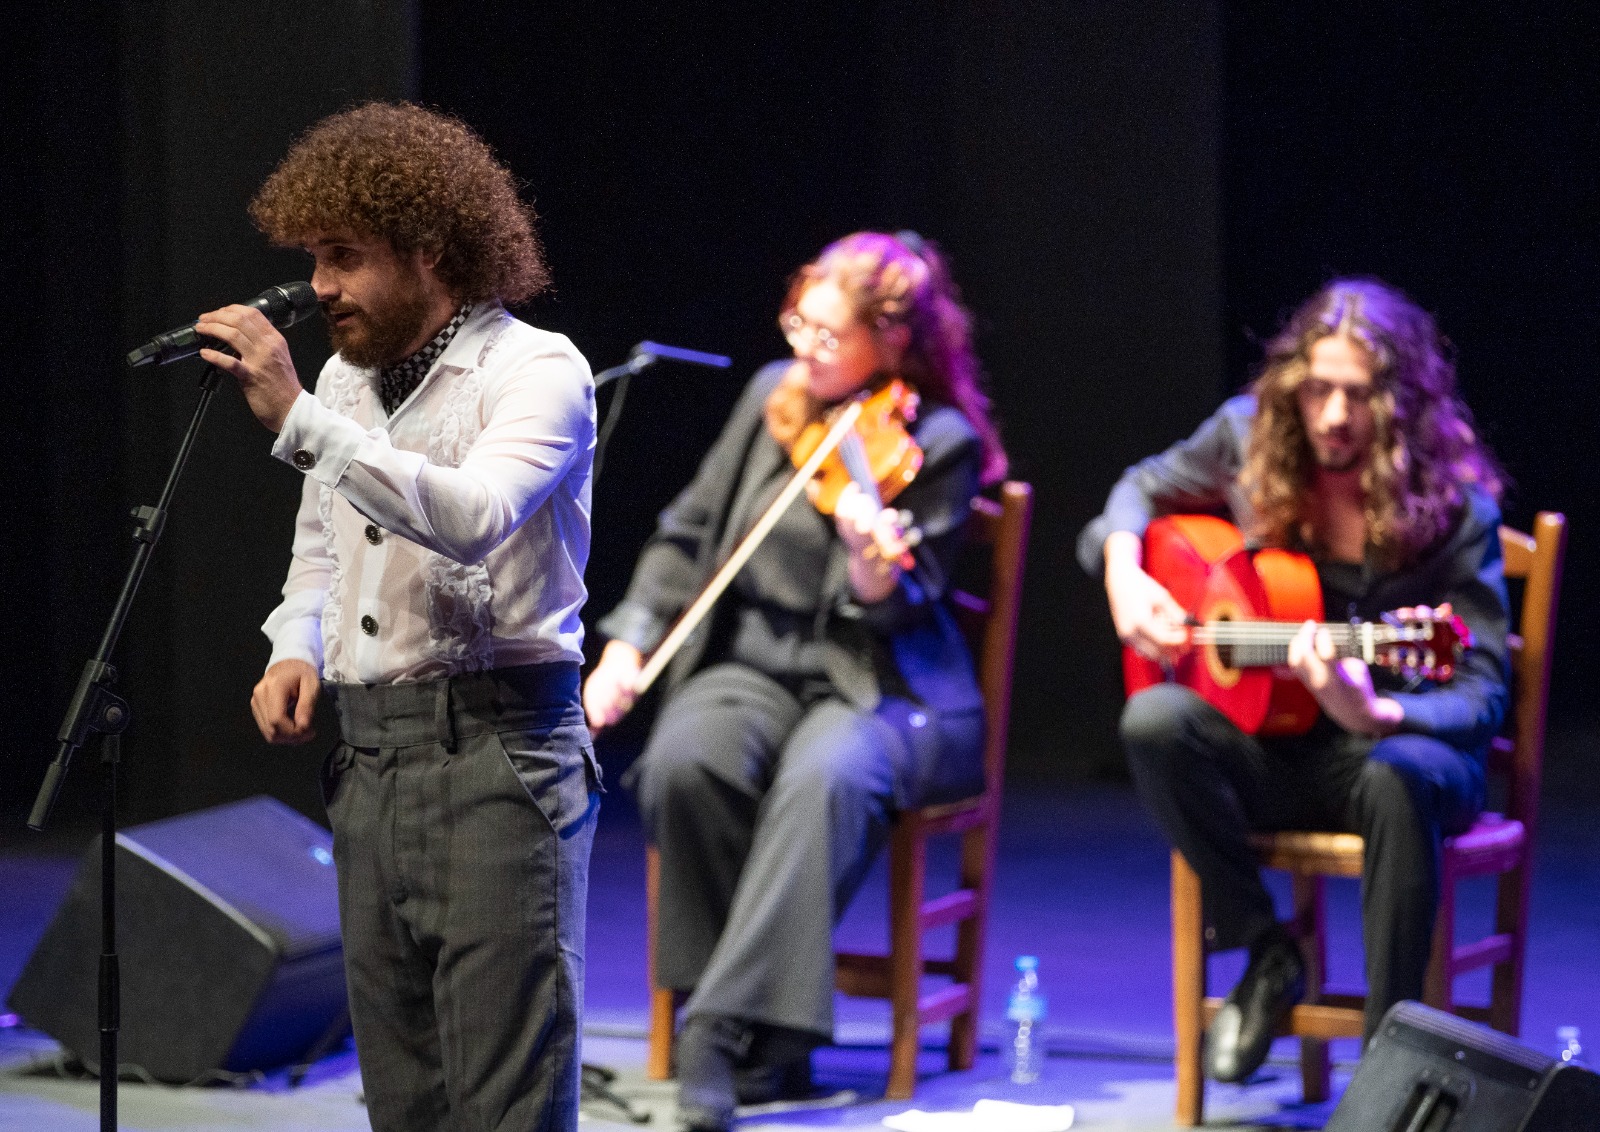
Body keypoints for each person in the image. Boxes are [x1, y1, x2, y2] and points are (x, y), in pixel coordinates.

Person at [194, 102, 599, 1132]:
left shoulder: (537, 370)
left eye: (344, 257)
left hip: (499, 754)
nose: (319, 286)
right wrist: (296, 645)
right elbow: (322, 545)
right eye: (313, 257)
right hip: (371, 760)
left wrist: (297, 418)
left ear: (429, 250)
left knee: (504, 1096)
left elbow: (473, 517)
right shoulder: (345, 380)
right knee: (404, 1095)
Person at [584, 231, 1006, 1132]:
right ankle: (772, 1043)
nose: (805, 348)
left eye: (829, 334)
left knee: (826, 780)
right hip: (751, 662)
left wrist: (870, 565)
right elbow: (687, 532)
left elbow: (909, 601)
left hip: (875, 682)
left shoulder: (939, 440)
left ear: (892, 341)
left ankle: (717, 1029)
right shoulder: (772, 397)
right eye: (797, 325)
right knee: (685, 762)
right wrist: (627, 645)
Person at [1079, 278, 1510, 1082]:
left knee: (1395, 778)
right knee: (1155, 719)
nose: (1335, 415)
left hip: (1398, 758)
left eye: (1360, 395)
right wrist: (1124, 572)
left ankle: (1388, 1064)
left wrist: (1379, 711)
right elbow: (1137, 489)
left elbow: (1483, 692)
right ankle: (1266, 949)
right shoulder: (1246, 438)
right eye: (1317, 390)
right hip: (1277, 751)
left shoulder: (1455, 512)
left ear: (1403, 403)